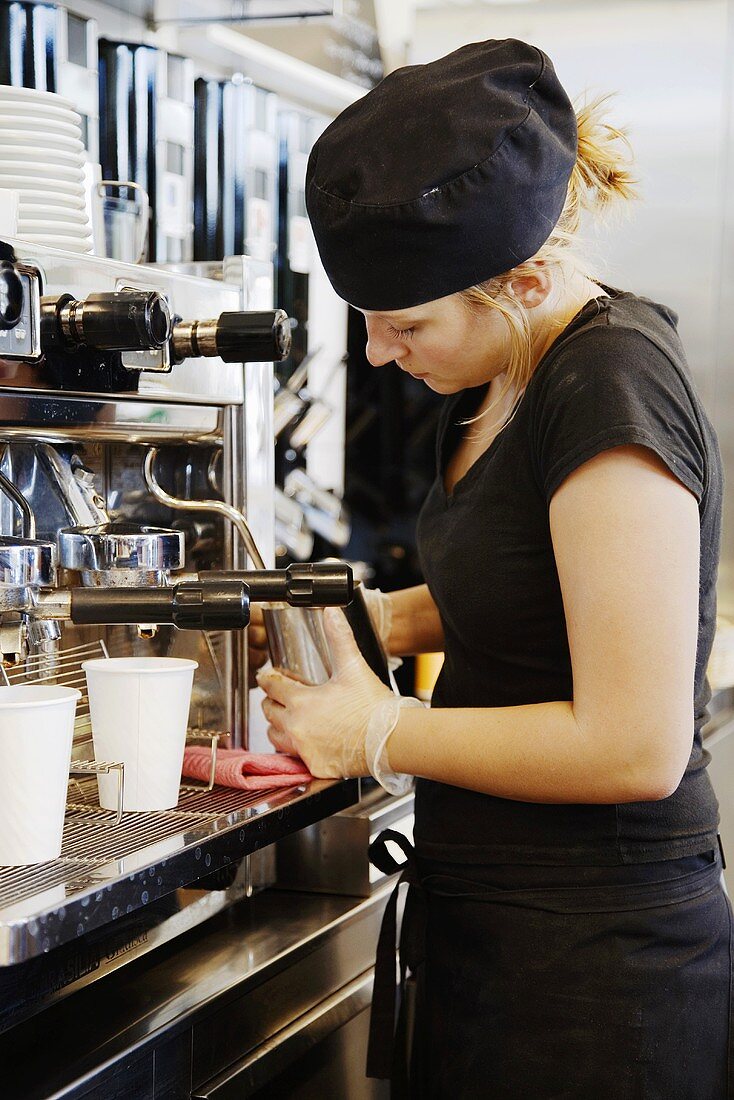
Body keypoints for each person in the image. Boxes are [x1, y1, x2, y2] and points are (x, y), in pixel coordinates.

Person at [254, 38, 731, 1098]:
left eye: (403, 324)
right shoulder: (499, 377)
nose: (379, 354)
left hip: (598, 980)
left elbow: (633, 744)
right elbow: (528, 588)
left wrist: (376, 728)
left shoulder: (607, 388)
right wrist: (373, 621)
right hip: (495, 937)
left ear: (520, 281)